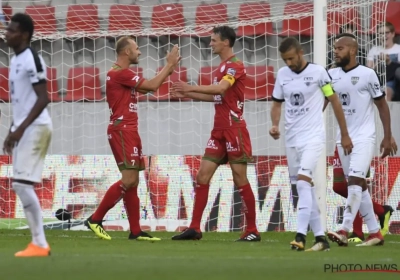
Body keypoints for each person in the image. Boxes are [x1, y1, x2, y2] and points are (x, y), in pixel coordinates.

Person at [84, 36, 181, 241]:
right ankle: (95, 219)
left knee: (133, 181)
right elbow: (152, 86)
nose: (140, 52)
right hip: (122, 130)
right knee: (128, 179)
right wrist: (169, 65)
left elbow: (153, 84)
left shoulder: (122, 74)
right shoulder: (119, 73)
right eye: (137, 49)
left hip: (130, 130)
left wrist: (169, 68)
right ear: (126, 52)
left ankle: (135, 231)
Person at [170, 26, 260, 242]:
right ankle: (194, 228)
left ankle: (252, 230)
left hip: (234, 130)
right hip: (218, 131)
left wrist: (190, 86)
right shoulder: (221, 68)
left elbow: (220, 89)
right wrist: (188, 93)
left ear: (226, 42)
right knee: (202, 176)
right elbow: (217, 98)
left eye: (213, 40)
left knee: (240, 178)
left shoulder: (235, 66)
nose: (210, 44)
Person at [269, 37, 353, 251]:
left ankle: (300, 235)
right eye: (284, 60)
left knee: (303, 182)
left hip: (313, 137)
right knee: (303, 188)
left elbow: (333, 100)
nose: (288, 63)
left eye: (290, 58)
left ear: (300, 53)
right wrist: (274, 124)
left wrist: (344, 134)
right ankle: (320, 238)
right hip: (291, 139)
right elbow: (277, 103)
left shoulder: (318, 73)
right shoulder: (282, 75)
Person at [327, 33, 397, 246]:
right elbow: (322, 103)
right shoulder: (331, 74)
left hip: (364, 137)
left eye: (340, 48)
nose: (335, 52)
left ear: (352, 50)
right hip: (343, 139)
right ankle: (375, 233)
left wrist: (387, 135)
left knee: (355, 181)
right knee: (357, 186)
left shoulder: (368, 74)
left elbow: (381, 105)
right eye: (335, 48)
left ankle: (344, 229)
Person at [4, 13, 52, 257]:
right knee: (21, 185)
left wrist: (21, 129)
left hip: (37, 127)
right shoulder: (15, 60)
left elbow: (43, 98)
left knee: (22, 186)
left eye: (11, 30)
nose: (6, 33)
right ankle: (38, 244)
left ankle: (40, 244)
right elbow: (22, 101)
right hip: (26, 128)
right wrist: (12, 130)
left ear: (23, 34)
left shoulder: (31, 58)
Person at [331, 146, 394, 242]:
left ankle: (357, 232)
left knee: (356, 185)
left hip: (360, 144)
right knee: (338, 187)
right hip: (341, 144)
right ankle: (381, 210)